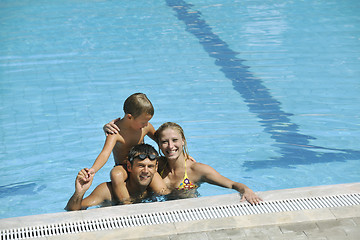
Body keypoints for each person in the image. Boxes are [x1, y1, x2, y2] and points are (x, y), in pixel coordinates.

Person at [154, 122, 262, 204]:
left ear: (183, 141)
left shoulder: (197, 170)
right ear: (159, 145)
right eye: (164, 142)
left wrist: (246, 190)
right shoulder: (155, 165)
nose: (170, 146)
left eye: (174, 140)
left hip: (190, 211)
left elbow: (232, 184)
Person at [86, 93, 166, 204]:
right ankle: (127, 204)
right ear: (129, 117)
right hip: (123, 167)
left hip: (141, 164)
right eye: (143, 122)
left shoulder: (145, 127)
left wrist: (183, 155)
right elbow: (105, 153)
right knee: (115, 174)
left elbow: (163, 142)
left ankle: (167, 199)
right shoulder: (115, 132)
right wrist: (93, 170)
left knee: (161, 187)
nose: (146, 124)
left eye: (148, 121)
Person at [66, 144, 160, 211]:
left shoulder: (155, 189)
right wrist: (79, 192)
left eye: (150, 166)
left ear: (156, 168)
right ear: (129, 167)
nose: (146, 171)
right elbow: (73, 211)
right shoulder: (107, 191)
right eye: (141, 166)